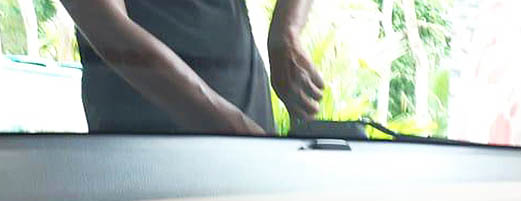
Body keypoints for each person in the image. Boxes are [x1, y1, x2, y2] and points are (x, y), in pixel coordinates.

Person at [63, 0, 325, 135]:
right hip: (140, 153)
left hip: (248, 127)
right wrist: (238, 131)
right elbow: (108, 27)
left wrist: (286, 30)